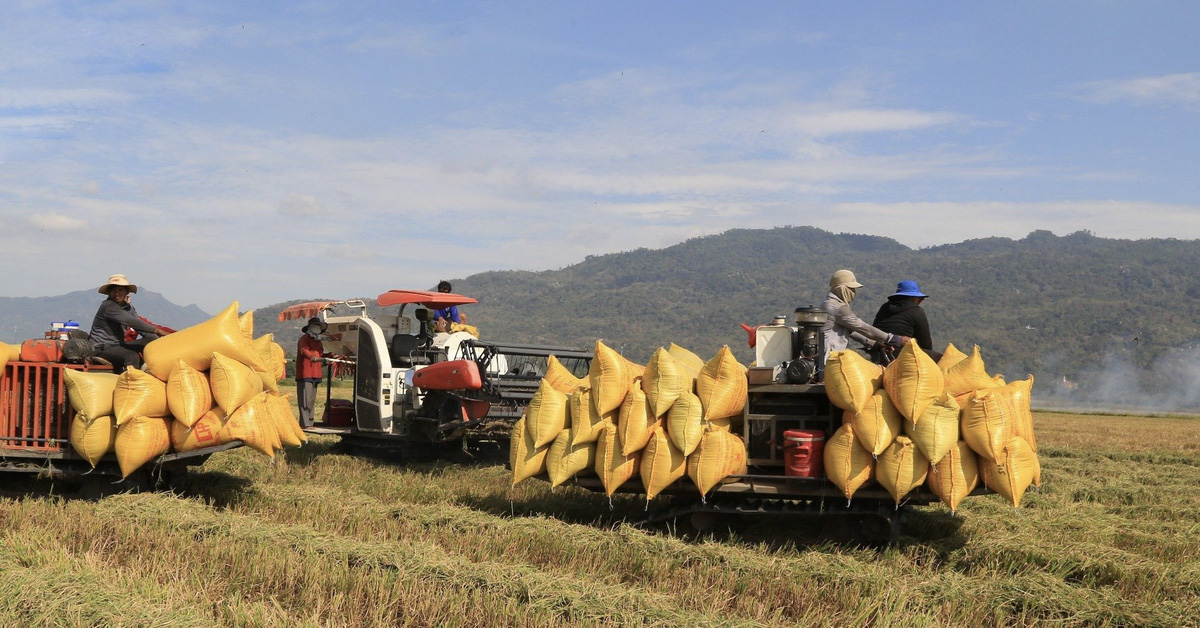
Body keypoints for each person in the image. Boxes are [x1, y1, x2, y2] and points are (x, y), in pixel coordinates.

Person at [88, 274, 172, 373]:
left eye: (120, 290)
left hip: (119, 345)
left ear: (126, 292)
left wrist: (160, 338)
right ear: (109, 293)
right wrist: (158, 330)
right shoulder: (108, 306)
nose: (117, 293)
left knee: (152, 339)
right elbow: (131, 321)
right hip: (103, 348)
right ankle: (132, 385)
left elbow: (140, 327)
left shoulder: (128, 308)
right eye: (114, 290)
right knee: (132, 356)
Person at [820, 269, 907, 363]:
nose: (854, 293)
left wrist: (874, 344)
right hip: (828, 357)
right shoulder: (837, 307)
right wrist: (893, 339)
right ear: (842, 289)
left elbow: (852, 331)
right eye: (851, 289)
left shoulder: (828, 304)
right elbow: (862, 327)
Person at [872, 280, 942, 362]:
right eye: (919, 298)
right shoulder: (916, 311)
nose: (921, 300)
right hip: (902, 355)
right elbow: (925, 342)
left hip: (879, 353)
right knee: (941, 359)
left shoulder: (884, 307)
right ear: (913, 298)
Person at [296, 316, 332, 428]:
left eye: (318, 326)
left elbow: (320, 355)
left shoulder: (318, 342)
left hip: (316, 373)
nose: (317, 328)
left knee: (311, 400)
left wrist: (330, 356)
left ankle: (310, 422)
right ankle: (305, 424)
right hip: (305, 373)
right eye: (315, 326)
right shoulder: (304, 339)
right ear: (310, 328)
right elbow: (304, 351)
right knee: (305, 399)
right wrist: (312, 357)